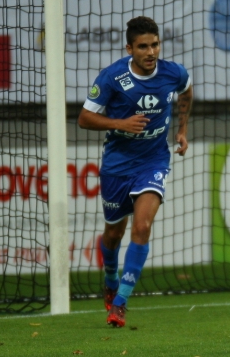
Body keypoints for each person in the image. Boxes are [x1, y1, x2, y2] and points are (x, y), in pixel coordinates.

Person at [78, 16, 193, 327]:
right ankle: (110, 277)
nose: (151, 51)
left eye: (155, 44)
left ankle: (120, 302)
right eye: (143, 46)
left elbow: (187, 92)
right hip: (117, 165)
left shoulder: (173, 73)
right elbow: (84, 118)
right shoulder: (113, 77)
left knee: (141, 227)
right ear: (129, 48)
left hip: (154, 161)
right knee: (114, 233)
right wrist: (120, 123)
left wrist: (182, 130)